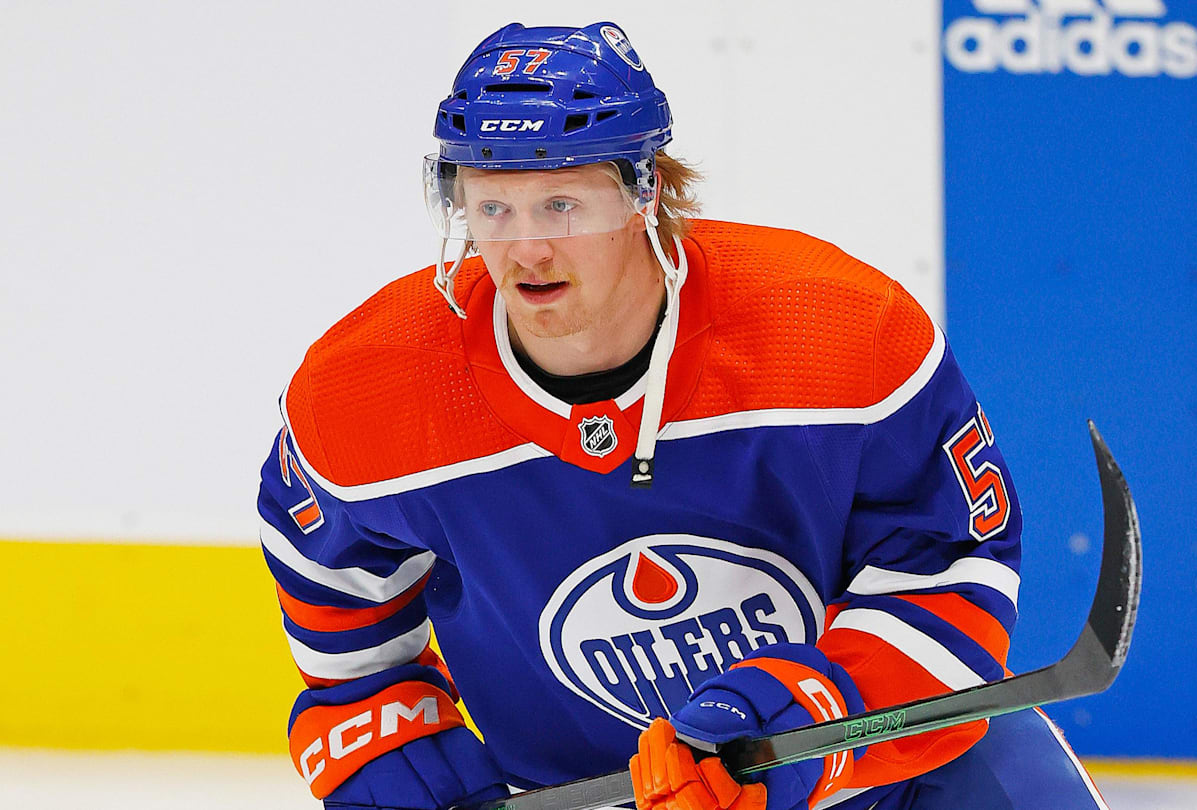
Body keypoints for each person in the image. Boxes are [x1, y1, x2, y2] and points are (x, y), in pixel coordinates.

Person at [257, 21, 1109, 810]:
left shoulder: (837, 332)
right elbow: (343, 625)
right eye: (492, 208)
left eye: (562, 204)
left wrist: (804, 719)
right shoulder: (367, 390)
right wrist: (392, 748)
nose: (525, 249)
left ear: (646, 193)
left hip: (890, 780)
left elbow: (947, 567)